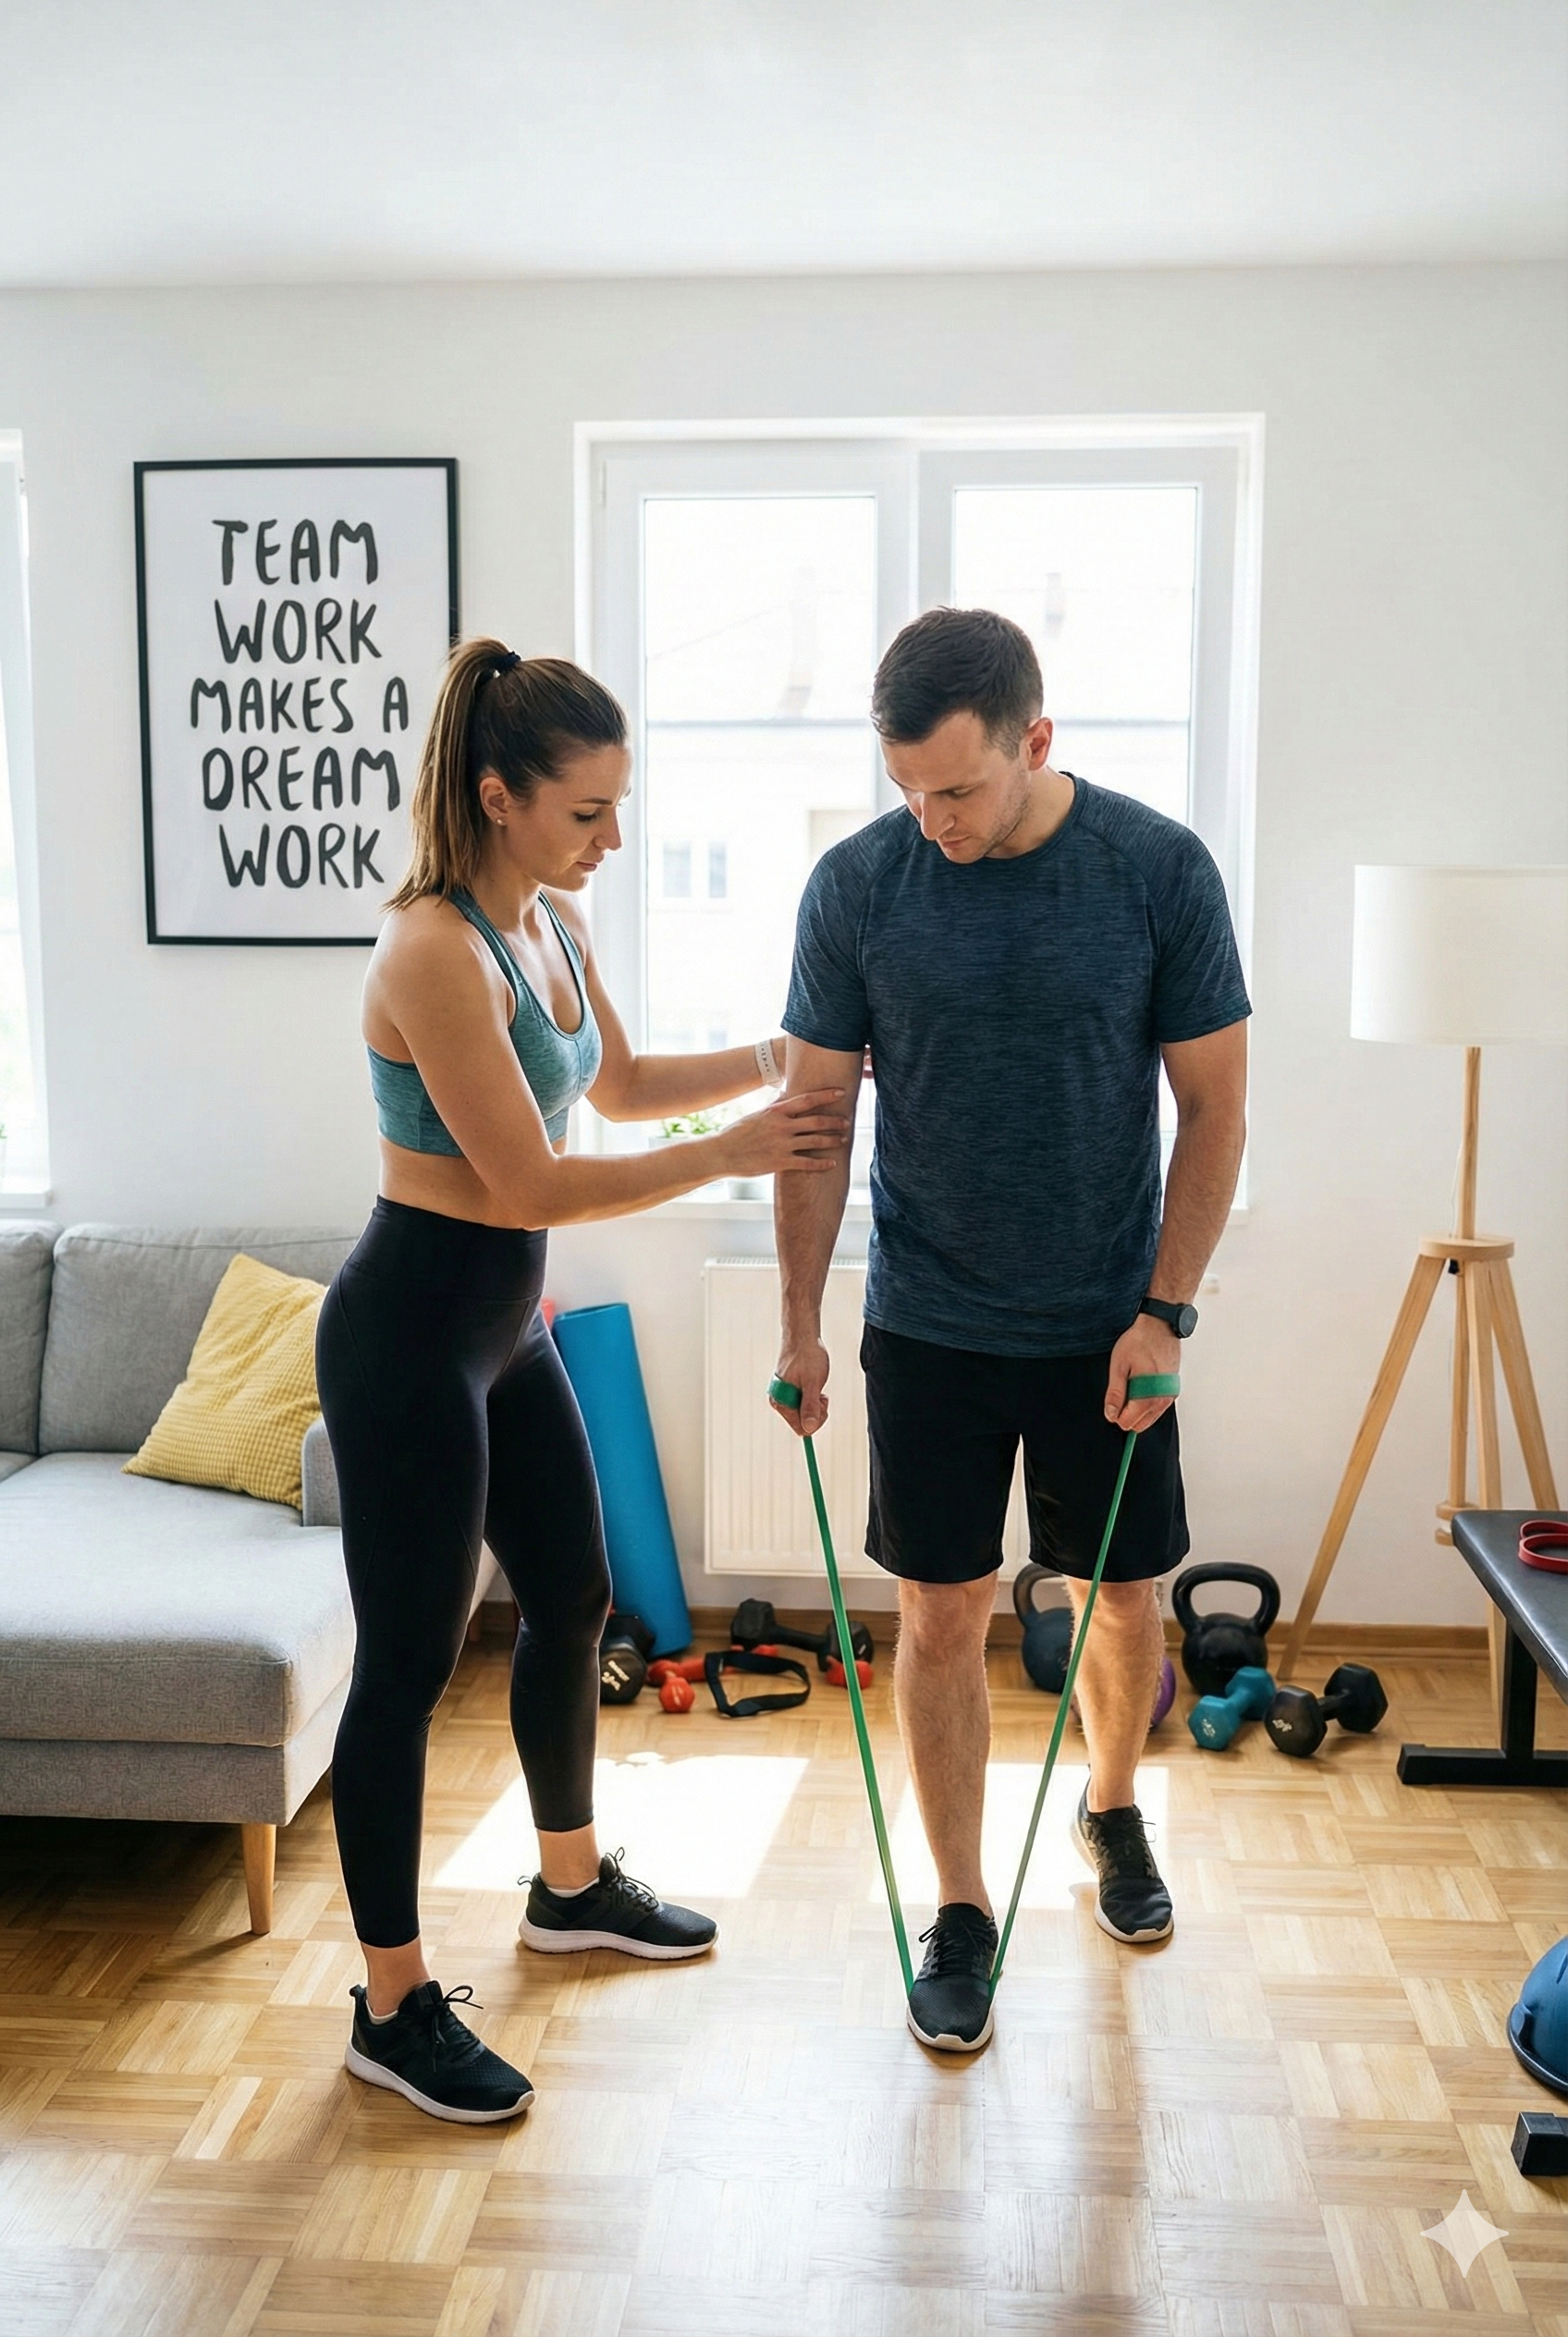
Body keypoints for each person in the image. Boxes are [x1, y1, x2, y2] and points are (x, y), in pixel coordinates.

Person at [318, 640, 848, 2123]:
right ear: (497, 796)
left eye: (619, 812)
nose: (613, 842)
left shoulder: (548, 921)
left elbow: (613, 1086)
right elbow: (530, 1174)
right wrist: (737, 1157)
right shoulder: (429, 949)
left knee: (575, 1596)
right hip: (412, 1334)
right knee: (408, 1672)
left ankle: (567, 1889)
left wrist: (774, 1058)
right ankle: (392, 2002)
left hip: (508, 1324)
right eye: (586, 814)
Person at [772, 606, 1249, 2052]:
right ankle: (963, 1906)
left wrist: (1165, 1311)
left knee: (1117, 1594)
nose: (931, 820)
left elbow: (1215, 1107)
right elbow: (817, 1124)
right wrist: (799, 1323)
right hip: (929, 1319)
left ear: (1037, 742)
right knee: (937, 1614)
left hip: (1108, 1319)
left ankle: (1112, 1812)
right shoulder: (856, 889)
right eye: (907, 789)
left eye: (958, 790)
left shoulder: (1156, 871)